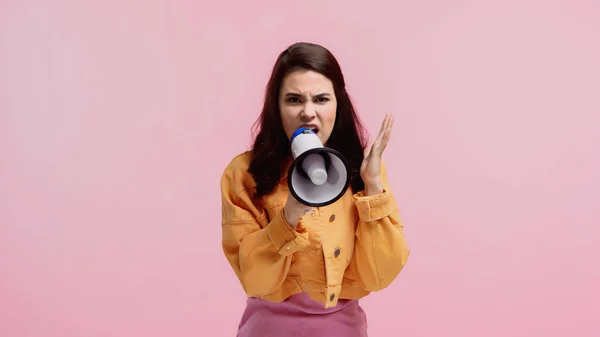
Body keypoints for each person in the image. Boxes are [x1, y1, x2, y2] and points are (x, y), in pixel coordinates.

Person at [220, 42, 410, 337]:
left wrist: (372, 188)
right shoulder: (244, 174)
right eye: (294, 100)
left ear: (338, 104)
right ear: (276, 107)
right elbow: (255, 280)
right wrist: (291, 213)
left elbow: (380, 275)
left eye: (321, 99)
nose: (308, 113)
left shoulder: (363, 171)